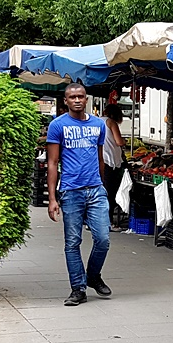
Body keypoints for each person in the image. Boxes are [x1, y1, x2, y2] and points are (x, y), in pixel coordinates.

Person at [46, 83, 112, 306]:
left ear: (86, 99)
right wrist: (52, 198)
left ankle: (93, 276)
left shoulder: (98, 125)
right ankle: (78, 288)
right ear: (66, 100)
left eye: (80, 97)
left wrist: (102, 185)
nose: (76, 100)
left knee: (103, 238)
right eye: (72, 97)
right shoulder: (57, 126)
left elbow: (100, 158)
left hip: (95, 190)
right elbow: (53, 163)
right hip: (71, 191)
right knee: (72, 242)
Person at [101, 103, 127, 231]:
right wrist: (124, 142)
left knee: (98, 193)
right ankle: (108, 222)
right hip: (109, 162)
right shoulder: (111, 123)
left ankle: (93, 222)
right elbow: (119, 141)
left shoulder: (96, 121)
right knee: (109, 194)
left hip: (97, 162)